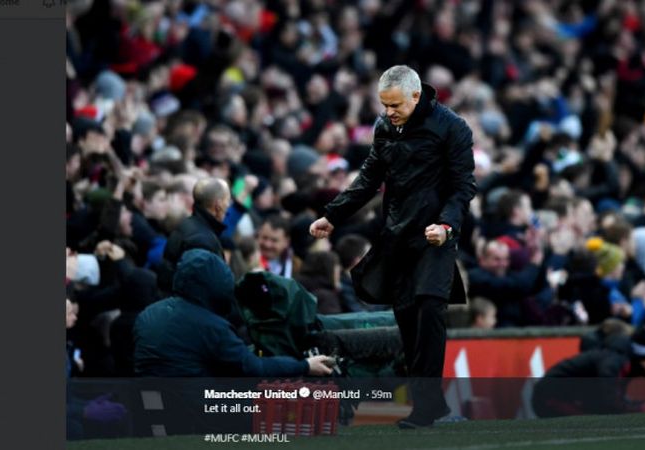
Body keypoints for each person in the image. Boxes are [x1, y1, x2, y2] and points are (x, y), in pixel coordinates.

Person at [309, 65, 475, 428]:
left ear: (417, 96)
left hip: (435, 236)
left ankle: (425, 408)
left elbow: (463, 186)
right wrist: (333, 215)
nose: (388, 112)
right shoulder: (385, 128)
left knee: (430, 310)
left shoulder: (452, 127)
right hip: (397, 235)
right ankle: (432, 407)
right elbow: (369, 177)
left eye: (395, 105)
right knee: (409, 322)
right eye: (384, 105)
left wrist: (446, 226)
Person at [134, 249, 333, 377]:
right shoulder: (211, 327)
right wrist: (305, 366)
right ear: (217, 285)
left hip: (150, 409)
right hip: (193, 417)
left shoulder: (148, 314)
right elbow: (254, 368)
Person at [532, 326, 645, 417]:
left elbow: (613, 399)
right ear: (644, 357)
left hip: (555, 396)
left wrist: (641, 405)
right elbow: (609, 400)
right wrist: (643, 408)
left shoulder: (619, 358)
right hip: (551, 397)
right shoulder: (615, 360)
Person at [160, 177, 231, 290]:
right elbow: (205, 289)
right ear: (218, 204)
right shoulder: (202, 241)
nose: (228, 205)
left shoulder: (188, 225)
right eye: (228, 200)